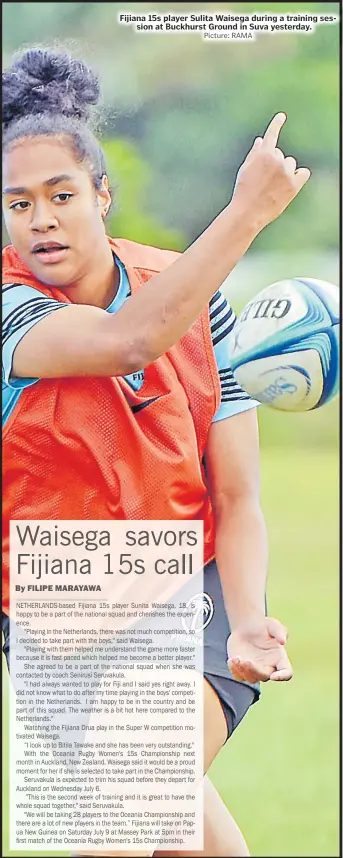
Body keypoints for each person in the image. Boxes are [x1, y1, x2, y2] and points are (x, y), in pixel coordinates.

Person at [2, 48, 310, 858]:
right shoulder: (8, 307)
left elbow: (237, 496)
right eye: (18, 203)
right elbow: (125, 340)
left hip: (184, 597)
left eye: (62, 196)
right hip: (56, 618)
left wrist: (246, 623)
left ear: (102, 196)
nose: (41, 220)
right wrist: (244, 214)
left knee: (119, 820)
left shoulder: (192, 294)